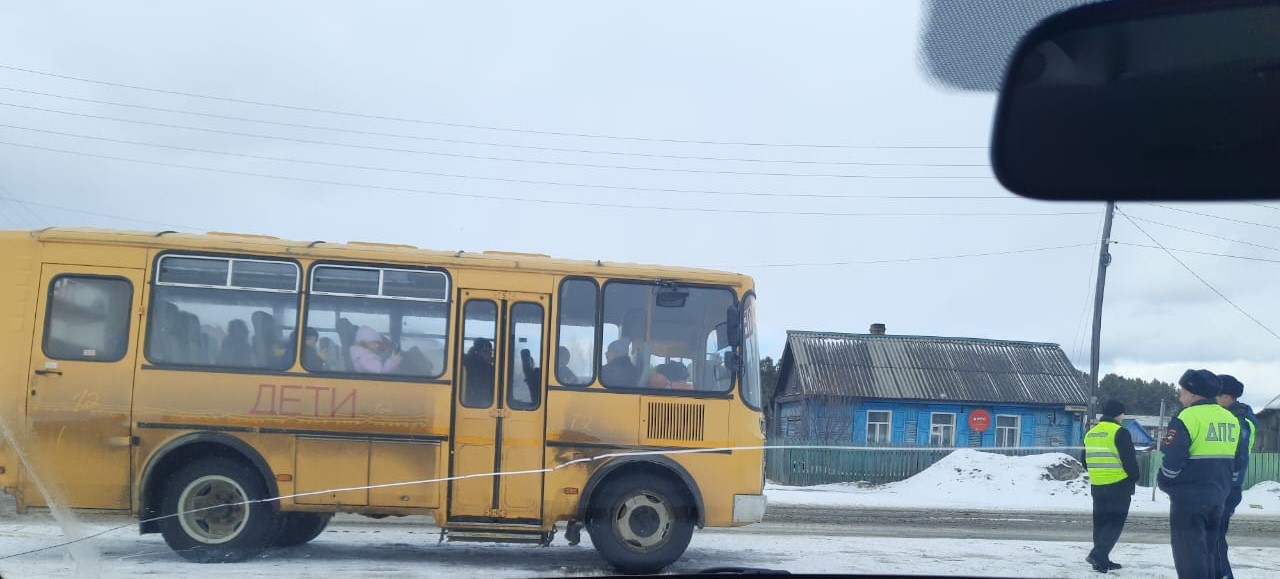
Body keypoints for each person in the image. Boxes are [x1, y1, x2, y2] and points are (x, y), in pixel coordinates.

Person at [1157, 369, 1245, 579]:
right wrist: (1228, 486)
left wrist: (1164, 480)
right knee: (1210, 551)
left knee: (1189, 555)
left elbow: (1174, 459)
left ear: (1194, 394)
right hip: (1218, 496)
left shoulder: (1186, 417)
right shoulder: (1230, 418)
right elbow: (1239, 460)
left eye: (1182, 391)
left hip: (1188, 499)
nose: (1180, 396)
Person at [1082, 400, 1140, 573]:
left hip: (1098, 485)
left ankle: (1102, 560)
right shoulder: (1120, 432)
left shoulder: (1091, 433)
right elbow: (1129, 460)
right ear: (1119, 414)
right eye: (1123, 414)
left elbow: (1084, 460)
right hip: (1118, 484)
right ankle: (1098, 554)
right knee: (1115, 522)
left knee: (1100, 523)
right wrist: (1134, 478)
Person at [1213, 375, 1257, 579]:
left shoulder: (1240, 420)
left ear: (1228, 397)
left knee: (1215, 537)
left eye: (1217, 395)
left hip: (1227, 488)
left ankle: (1223, 575)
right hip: (1225, 486)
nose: (1214, 399)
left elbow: (1238, 457)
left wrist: (1226, 488)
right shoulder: (1237, 415)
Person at [462, 338, 496, 406]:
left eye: (491, 351)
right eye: (486, 351)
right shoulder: (472, 366)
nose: (490, 354)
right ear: (477, 352)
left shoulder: (488, 366)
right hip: (475, 401)